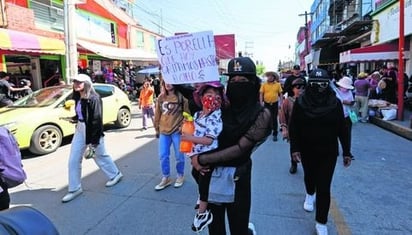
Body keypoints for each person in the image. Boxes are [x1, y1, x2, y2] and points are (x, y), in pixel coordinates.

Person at [190, 57, 272, 235]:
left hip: (238, 176)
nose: (237, 84)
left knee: (238, 227)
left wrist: (201, 159)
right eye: (233, 80)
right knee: (215, 227)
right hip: (211, 175)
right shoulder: (221, 105)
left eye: (243, 80)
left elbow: (241, 148)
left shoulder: (262, 114)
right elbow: (194, 103)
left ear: (253, 83)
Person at [289, 68, 352, 235]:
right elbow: (294, 126)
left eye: (323, 84)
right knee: (310, 177)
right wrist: (294, 148)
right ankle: (310, 194)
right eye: (315, 84)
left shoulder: (335, 103)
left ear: (328, 84)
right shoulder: (301, 102)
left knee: (324, 186)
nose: (319, 87)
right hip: (307, 149)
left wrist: (347, 151)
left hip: (328, 151)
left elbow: (342, 128)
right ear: (309, 85)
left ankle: (321, 221)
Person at [61, 74, 123, 203]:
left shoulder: (94, 98)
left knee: (100, 155)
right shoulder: (78, 97)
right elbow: (81, 114)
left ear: (87, 84)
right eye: (75, 82)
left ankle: (115, 174)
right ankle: (74, 188)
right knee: (73, 159)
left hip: (92, 130)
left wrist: (93, 142)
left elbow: (96, 120)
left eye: (79, 82)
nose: (76, 84)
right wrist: (74, 119)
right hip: (80, 129)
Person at [180, 81, 226, 232]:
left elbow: (208, 140)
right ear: (201, 97)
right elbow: (193, 131)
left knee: (204, 179)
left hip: (209, 155)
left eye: (217, 97)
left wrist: (189, 138)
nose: (213, 99)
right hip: (197, 153)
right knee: (195, 173)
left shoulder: (215, 117)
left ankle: (202, 214)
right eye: (209, 95)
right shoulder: (197, 114)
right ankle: (202, 197)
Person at [154, 81, 190, 191]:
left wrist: (182, 126)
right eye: (165, 82)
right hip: (164, 131)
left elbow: (187, 114)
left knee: (179, 156)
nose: (168, 84)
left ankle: (180, 175)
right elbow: (157, 114)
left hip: (176, 132)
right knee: (163, 155)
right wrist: (157, 128)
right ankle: (166, 177)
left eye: (170, 82)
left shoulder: (181, 97)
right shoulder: (161, 97)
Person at [279, 78, 305, 174]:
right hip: (293, 130)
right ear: (293, 89)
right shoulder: (288, 101)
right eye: (298, 87)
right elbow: (282, 115)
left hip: (306, 130)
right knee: (294, 148)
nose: (300, 89)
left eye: (303, 87)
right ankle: (294, 164)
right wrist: (284, 128)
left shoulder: (308, 101)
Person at [335, 76, 356, 160]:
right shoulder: (335, 92)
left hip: (347, 116)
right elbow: (339, 101)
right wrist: (346, 102)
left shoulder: (349, 92)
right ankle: (335, 150)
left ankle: (347, 152)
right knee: (335, 134)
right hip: (337, 116)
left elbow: (352, 102)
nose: (345, 89)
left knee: (347, 136)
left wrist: (349, 103)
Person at [259, 71, 283, 141]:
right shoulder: (264, 85)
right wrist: (261, 103)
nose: (270, 77)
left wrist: (281, 103)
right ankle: (266, 131)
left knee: (274, 118)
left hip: (275, 103)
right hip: (266, 104)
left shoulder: (278, 85)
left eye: (271, 76)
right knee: (267, 118)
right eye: (268, 76)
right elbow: (261, 94)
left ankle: (275, 133)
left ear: (274, 77)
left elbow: (281, 94)